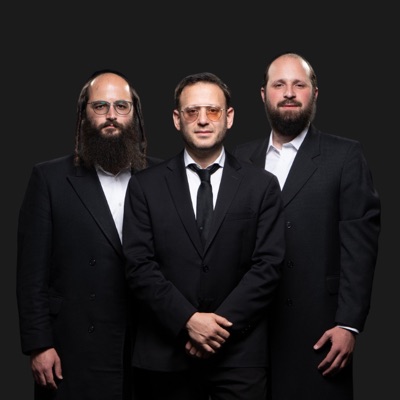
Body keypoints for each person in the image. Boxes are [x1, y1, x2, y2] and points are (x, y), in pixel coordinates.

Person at [122, 72, 286, 400]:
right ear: (176, 119)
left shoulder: (262, 185)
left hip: (240, 357)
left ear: (229, 117)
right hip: (165, 356)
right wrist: (187, 321)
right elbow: (139, 266)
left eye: (212, 111)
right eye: (192, 111)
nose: (202, 120)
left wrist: (215, 328)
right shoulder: (144, 186)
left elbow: (268, 266)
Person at [233, 52, 381, 399]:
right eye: (279, 85)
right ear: (263, 94)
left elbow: (359, 245)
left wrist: (348, 324)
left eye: (298, 85)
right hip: (247, 332)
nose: (288, 93)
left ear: (314, 93)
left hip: (319, 328)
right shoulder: (239, 158)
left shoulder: (345, 156)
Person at [16, 69, 162, 400]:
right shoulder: (50, 179)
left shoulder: (162, 174)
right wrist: (39, 344)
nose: (111, 115)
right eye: (100, 106)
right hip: (73, 347)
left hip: (146, 345)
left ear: (135, 115)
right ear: (84, 114)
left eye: (121, 106)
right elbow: (31, 274)